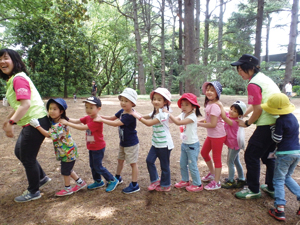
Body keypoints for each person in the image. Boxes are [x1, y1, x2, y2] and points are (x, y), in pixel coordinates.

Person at [0, 49, 51, 202]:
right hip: (30, 122)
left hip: (35, 122)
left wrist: (11, 122)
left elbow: (26, 104)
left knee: (27, 157)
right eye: (0, 60)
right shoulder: (13, 80)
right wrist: (9, 119)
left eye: (5, 58)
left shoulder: (18, 79)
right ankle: (41, 177)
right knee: (19, 152)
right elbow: (19, 105)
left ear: (15, 61)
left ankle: (33, 191)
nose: (2, 62)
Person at [231, 54, 280, 199]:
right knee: (269, 156)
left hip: (266, 124)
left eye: (241, 69)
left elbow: (258, 110)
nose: (239, 72)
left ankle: (253, 189)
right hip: (276, 122)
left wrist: (246, 123)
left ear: (251, 68)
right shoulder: (263, 79)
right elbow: (256, 104)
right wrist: (244, 114)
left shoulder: (253, 84)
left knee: (251, 155)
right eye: (238, 69)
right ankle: (271, 187)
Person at [60, 96, 119, 192]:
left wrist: (67, 123)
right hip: (91, 146)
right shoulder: (88, 117)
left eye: (91, 107)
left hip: (98, 147)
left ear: (98, 109)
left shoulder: (97, 120)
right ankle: (98, 181)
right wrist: (66, 118)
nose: (88, 110)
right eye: (86, 107)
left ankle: (112, 180)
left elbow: (83, 127)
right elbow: (77, 121)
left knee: (98, 166)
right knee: (92, 165)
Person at [30, 98, 86, 196]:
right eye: (50, 108)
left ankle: (68, 188)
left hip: (68, 151)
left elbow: (48, 135)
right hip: (66, 151)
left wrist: (37, 126)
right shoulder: (55, 121)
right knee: (68, 169)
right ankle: (80, 182)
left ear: (61, 111)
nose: (51, 111)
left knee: (65, 171)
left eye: (55, 109)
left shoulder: (59, 125)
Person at [260, 93, 300, 221]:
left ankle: (279, 208)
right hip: (296, 152)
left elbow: (277, 138)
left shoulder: (280, 121)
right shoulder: (293, 118)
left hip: (284, 154)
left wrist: (272, 128)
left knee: (278, 180)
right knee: (287, 176)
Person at [94, 88, 140, 194]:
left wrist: (101, 120)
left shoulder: (130, 115)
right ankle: (118, 177)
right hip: (123, 143)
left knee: (133, 163)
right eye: (122, 100)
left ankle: (134, 184)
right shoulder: (122, 111)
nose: (123, 103)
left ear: (132, 103)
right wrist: (99, 116)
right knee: (120, 160)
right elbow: (112, 118)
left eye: (126, 101)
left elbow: (116, 123)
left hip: (131, 144)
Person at [130, 88, 174, 192]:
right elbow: (144, 116)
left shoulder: (163, 114)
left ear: (165, 102)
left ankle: (166, 184)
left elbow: (148, 123)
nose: (156, 101)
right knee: (149, 161)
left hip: (165, 145)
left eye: (159, 99)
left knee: (164, 166)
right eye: (154, 99)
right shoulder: (155, 111)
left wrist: (136, 116)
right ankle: (155, 180)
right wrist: (133, 113)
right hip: (156, 143)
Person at [165, 93, 203, 192]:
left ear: (193, 106)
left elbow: (178, 122)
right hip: (185, 144)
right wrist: (165, 114)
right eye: (182, 104)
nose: (184, 107)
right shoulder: (183, 114)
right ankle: (185, 180)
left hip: (192, 145)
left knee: (192, 165)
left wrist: (169, 114)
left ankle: (197, 184)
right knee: (182, 163)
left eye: (187, 104)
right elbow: (172, 121)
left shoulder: (192, 117)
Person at [197, 81, 226, 191]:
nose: (209, 92)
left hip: (218, 135)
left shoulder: (214, 106)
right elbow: (208, 119)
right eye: (207, 89)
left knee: (216, 158)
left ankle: (217, 182)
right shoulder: (209, 103)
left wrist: (199, 124)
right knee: (204, 152)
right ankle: (213, 174)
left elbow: (213, 124)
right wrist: (199, 120)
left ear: (217, 93)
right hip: (212, 135)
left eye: (212, 90)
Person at [217, 101, 247, 189]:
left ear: (240, 114)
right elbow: (225, 114)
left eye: (235, 111)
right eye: (231, 109)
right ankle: (241, 178)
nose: (231, 112)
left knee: (230, 162)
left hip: (234, 146)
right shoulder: (231, 117)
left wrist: (221, 105)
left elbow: (224, 117)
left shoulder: (234, 122)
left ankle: (231, 180)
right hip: (233, 145)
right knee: (236, 161)